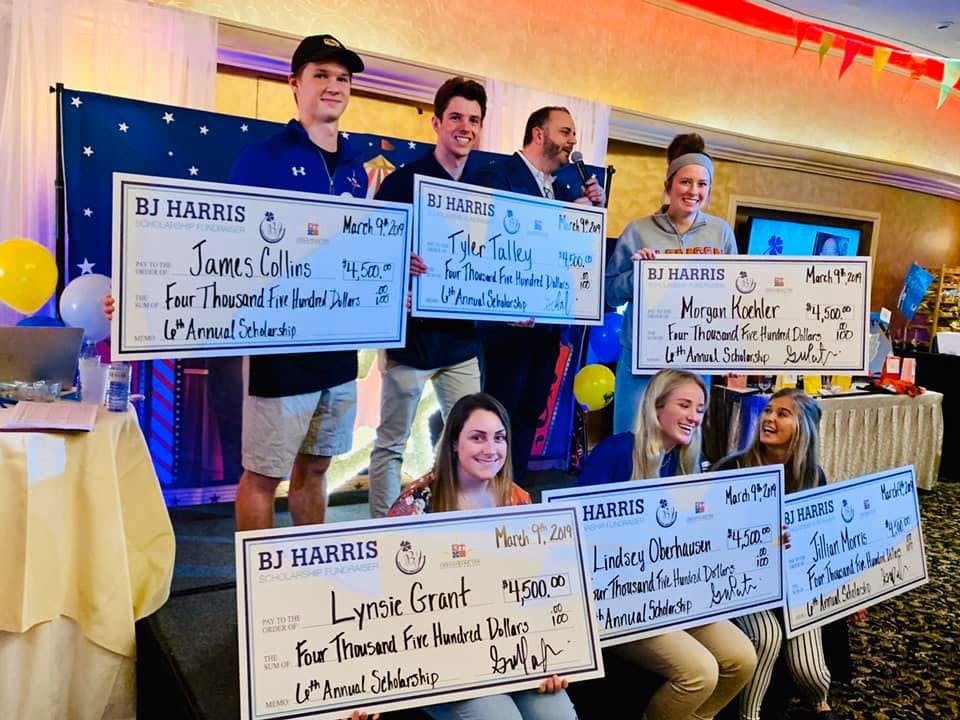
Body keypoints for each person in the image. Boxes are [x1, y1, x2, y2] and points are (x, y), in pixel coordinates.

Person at [225, 34, 369, 530]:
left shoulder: (356, 169)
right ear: (294, 83)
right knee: (263, 475)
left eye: (342, 78)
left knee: (317, 466)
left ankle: (308, 573)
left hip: (339, 344)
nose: (333, 86)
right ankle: (258, 590)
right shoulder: (260, 157)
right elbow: (218, 243)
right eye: (321, 75)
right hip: (280, 345)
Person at [579, 369, 757, 720]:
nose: (694, 416)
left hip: (673, 598)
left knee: (742, 658)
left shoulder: (685, 467)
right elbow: (577, 531)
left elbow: (706, 542)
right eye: (685, 405)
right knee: (700, 673)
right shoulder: (617, 452)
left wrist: (763, 537)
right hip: (620, 603)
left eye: (700, 409)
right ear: (656, 407)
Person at [387, 392, 577, 720]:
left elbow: (540, 589)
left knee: (558, 716)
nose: (491, 449)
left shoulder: (517, 500)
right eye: (477, 438)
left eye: (499, 438)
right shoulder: (416, 506)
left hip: (511, 650)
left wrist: (555, 656)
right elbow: (389, 599)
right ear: (454, 443)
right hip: (444, 659)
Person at [366, 77, 488, 518]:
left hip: (461, 343)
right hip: (411, 343)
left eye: (473, 120)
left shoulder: (485, 187)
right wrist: (401, 264)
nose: (464, 127)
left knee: (473, 438)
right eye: (456, 117)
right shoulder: (403, 183)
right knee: (391, 442)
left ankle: (457, 520)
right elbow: (371, 249)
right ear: (437, 122)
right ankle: (384, 526)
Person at [470, 106, 605, 481]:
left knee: (531, 411)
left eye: (574, 134)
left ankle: (514, 489)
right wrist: (564, 217)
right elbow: (489, 240)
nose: (572, 141)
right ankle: (486, 492)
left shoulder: (564, 188)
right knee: (500, 413)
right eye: (565, 132)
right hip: (507, 325)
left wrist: (590, 218)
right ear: (538, 134)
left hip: (547, 325)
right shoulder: (497, 176)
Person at [710, 389, 841, 720]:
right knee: (766, 637)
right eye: (768, 411)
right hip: (743, 583)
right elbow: (708, 539)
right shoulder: (733, 468)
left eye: (782, 414)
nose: (769, 418)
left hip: (793, 584)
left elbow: (823, 540)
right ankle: (749, 715)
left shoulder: (814, 477)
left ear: (804, 428)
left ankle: (821, 705)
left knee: (810, 671)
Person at [604, 133, 737, 435]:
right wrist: (638, 274)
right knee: (632, 440)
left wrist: (733, 350)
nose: (693, 191)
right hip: (642, 360)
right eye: (685, 182)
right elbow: (610, 293)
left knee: (685, 447)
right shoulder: (638, 230)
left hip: (694, 358)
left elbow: (733, 299)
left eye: (702, 184)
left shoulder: (721, 233)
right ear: (669, 185)